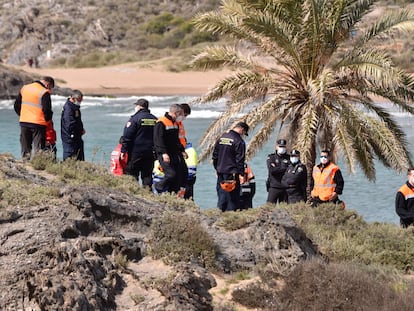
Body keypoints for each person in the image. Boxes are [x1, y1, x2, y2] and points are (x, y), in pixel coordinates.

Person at [14, 76, 54, 159]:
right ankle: (37, 165)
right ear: (48, 84)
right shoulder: (44, 92)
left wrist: (22, 116)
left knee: (25, 148)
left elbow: (16, 105)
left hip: (24, 121)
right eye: (50, 87)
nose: (50, 90)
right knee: (38, 148)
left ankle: (25, 163)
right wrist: (47, 122)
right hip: (39, 123)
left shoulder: (24, 88)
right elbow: (47, 110)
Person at [120, 99, 157, 188]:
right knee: (147, 175)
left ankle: (134, 194)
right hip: (150, 152)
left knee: (132, 174)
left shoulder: (134, 119)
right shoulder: (155, 119)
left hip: (135, 152)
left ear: (139, 107)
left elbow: (127, 135)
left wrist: (123, 150)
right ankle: (147, 194)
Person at [212, 121, 249, 212]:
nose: (243, 135)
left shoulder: (222, 137)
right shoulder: (239, 141)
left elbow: (215, 155)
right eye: (244, 133)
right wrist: (241, 173)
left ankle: (219, 213)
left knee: (221, 194)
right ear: (242, 129)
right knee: (232, 197)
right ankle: (230, 215)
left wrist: (217, 168)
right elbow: (239, 159)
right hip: (232, 173)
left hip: (221, 171)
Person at [153, 104, 187, 196]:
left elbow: (176, 139)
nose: (181, 117)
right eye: (180, 114)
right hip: (165, 154)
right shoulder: (161, 122)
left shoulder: (175, 123)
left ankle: (172, 196)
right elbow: (158, 140)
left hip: (175, 153)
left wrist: (182, 150)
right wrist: (163, 153)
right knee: (170, 174)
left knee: (178, 176)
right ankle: (158, 186)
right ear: (175, 113)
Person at [61, 90, 85, 161]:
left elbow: (77, 120)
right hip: (70, 137)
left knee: (79, 156)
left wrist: (81, 129)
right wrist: (77, 131)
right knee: (69, 156)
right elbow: (70, 124)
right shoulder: (68, 108)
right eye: (79, 100)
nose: (80, 102)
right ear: (73, 98)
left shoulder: (74, 107)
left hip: (76, 136)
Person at [266, 139, 290, 204]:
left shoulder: (289, 158)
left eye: (283, 146)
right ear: (276, 147)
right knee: (269, 208)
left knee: (284, 209)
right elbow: (272, 171)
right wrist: (284, 168)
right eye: (280, 146)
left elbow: (290, 171)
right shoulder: (271, 157)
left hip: (285, 187)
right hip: (274, 187)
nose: (282, 148)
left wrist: (277, 168)